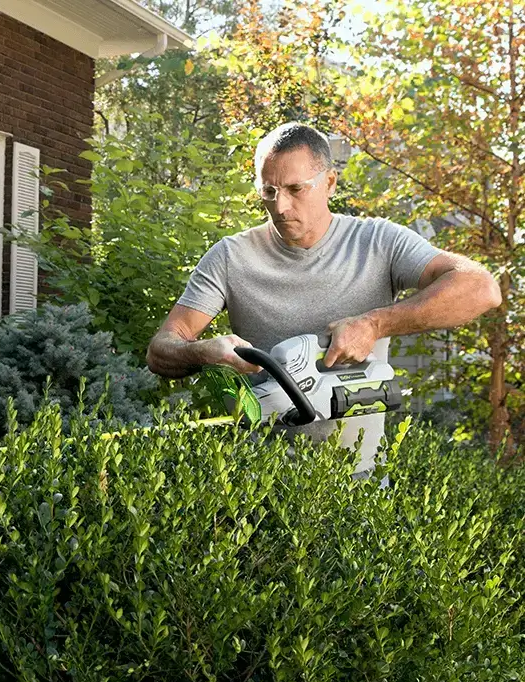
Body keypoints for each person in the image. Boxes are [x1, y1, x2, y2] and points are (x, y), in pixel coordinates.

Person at [146, 122, 501, 477]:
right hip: (260, 479)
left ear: (329, 182)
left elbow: (480, 287)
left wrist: (374, 324)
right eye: (269, 191)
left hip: (360, 477)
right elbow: (161, 349)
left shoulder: (378, 241)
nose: (280, 206)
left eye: (295, 189)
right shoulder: (231, 256)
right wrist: (201, 352)